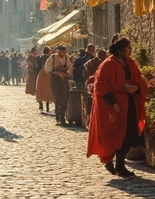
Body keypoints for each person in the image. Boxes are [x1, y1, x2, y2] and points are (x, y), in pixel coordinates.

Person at [86, 36, 147, 178]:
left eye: (130, 48)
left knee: (129, 135)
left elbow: (139, 80)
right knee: (113, 135)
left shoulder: (130, 63)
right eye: (127, 48)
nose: (130, 51)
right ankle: (108, 160)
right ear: (119, 50)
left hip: (129, 104)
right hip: (112, 107)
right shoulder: (107, 65)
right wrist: (113, 103)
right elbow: (100, 86)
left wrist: (136, 88)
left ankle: (120, 164)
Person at [45, 45, 73, 126]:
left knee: (64, 98)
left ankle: (62, 117)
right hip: (55, 80)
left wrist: (66, 73)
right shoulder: (52, 58)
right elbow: (48, 69)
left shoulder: (66, 58)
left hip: (64, 80)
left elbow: (70, 67)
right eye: (61, 51)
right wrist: (57, 72)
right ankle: (58, 116)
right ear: (58, 51)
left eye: (64, 51)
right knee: (57, 99)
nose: (63, 53)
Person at [35, 46, 54, 113]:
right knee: (48, 88)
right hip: (48, 74)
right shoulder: (50, 58)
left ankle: (40, 103)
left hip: (41, 73)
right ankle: (47, 105)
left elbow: (38, 67)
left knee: (40, 88)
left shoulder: (40, 58)